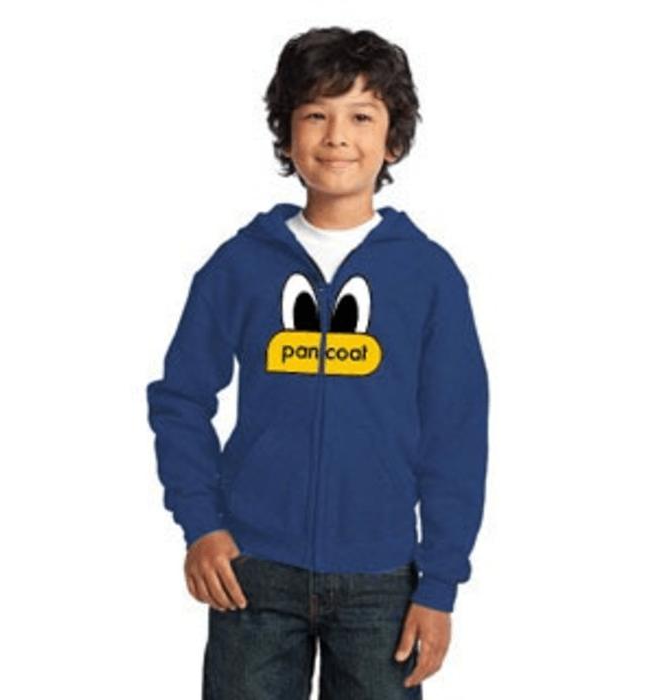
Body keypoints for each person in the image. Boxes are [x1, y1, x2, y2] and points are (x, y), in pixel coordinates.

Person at [146, 26, 489, 699]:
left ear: (393, 139)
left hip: (382, 582)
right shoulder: (240, 265)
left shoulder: (429, 276)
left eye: (361, 116)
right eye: (315, 115)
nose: (337, 137)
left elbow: (456, 433)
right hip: (252, 573)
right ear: (286, 135)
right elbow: (180, 399)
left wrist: (441, 583)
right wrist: (203, 525)